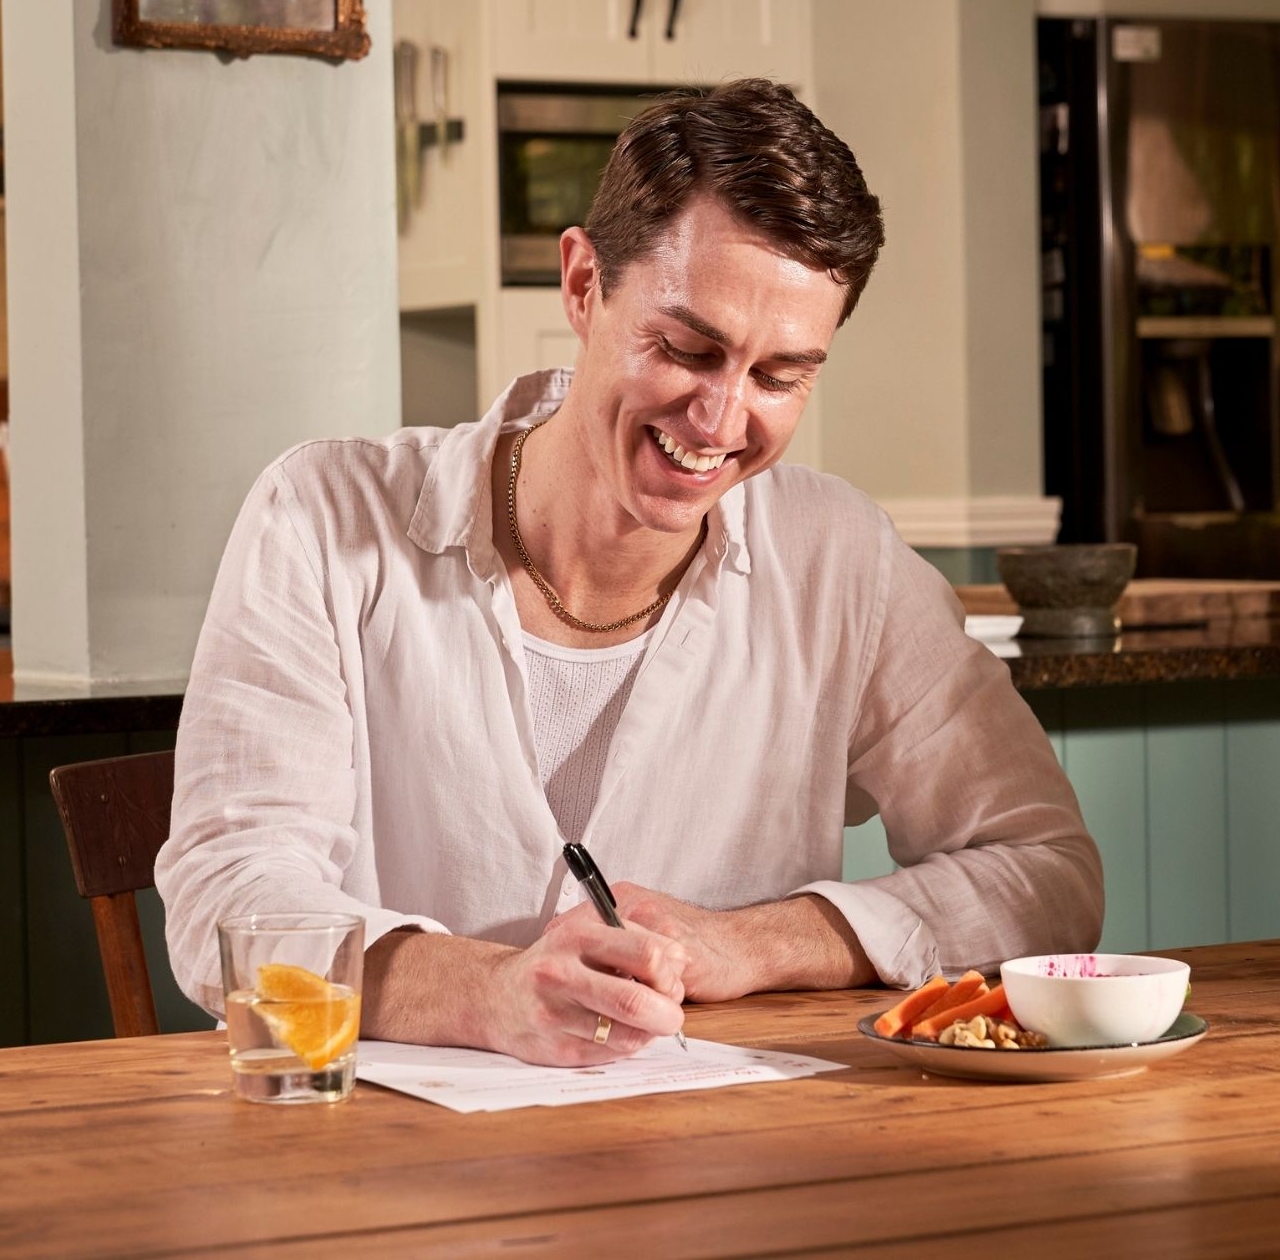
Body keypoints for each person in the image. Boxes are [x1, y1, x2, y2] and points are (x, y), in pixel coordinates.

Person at [158, 79, 1102, 1065]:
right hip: (384, 1176)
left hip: (723, 1178)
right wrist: (487, 994)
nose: (721, 420)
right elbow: (232, 892)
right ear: (581, 283)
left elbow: (1047, 870)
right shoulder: (325, 516)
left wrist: (754, 942)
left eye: (781, 375)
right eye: (687, 348)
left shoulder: (841, 558)